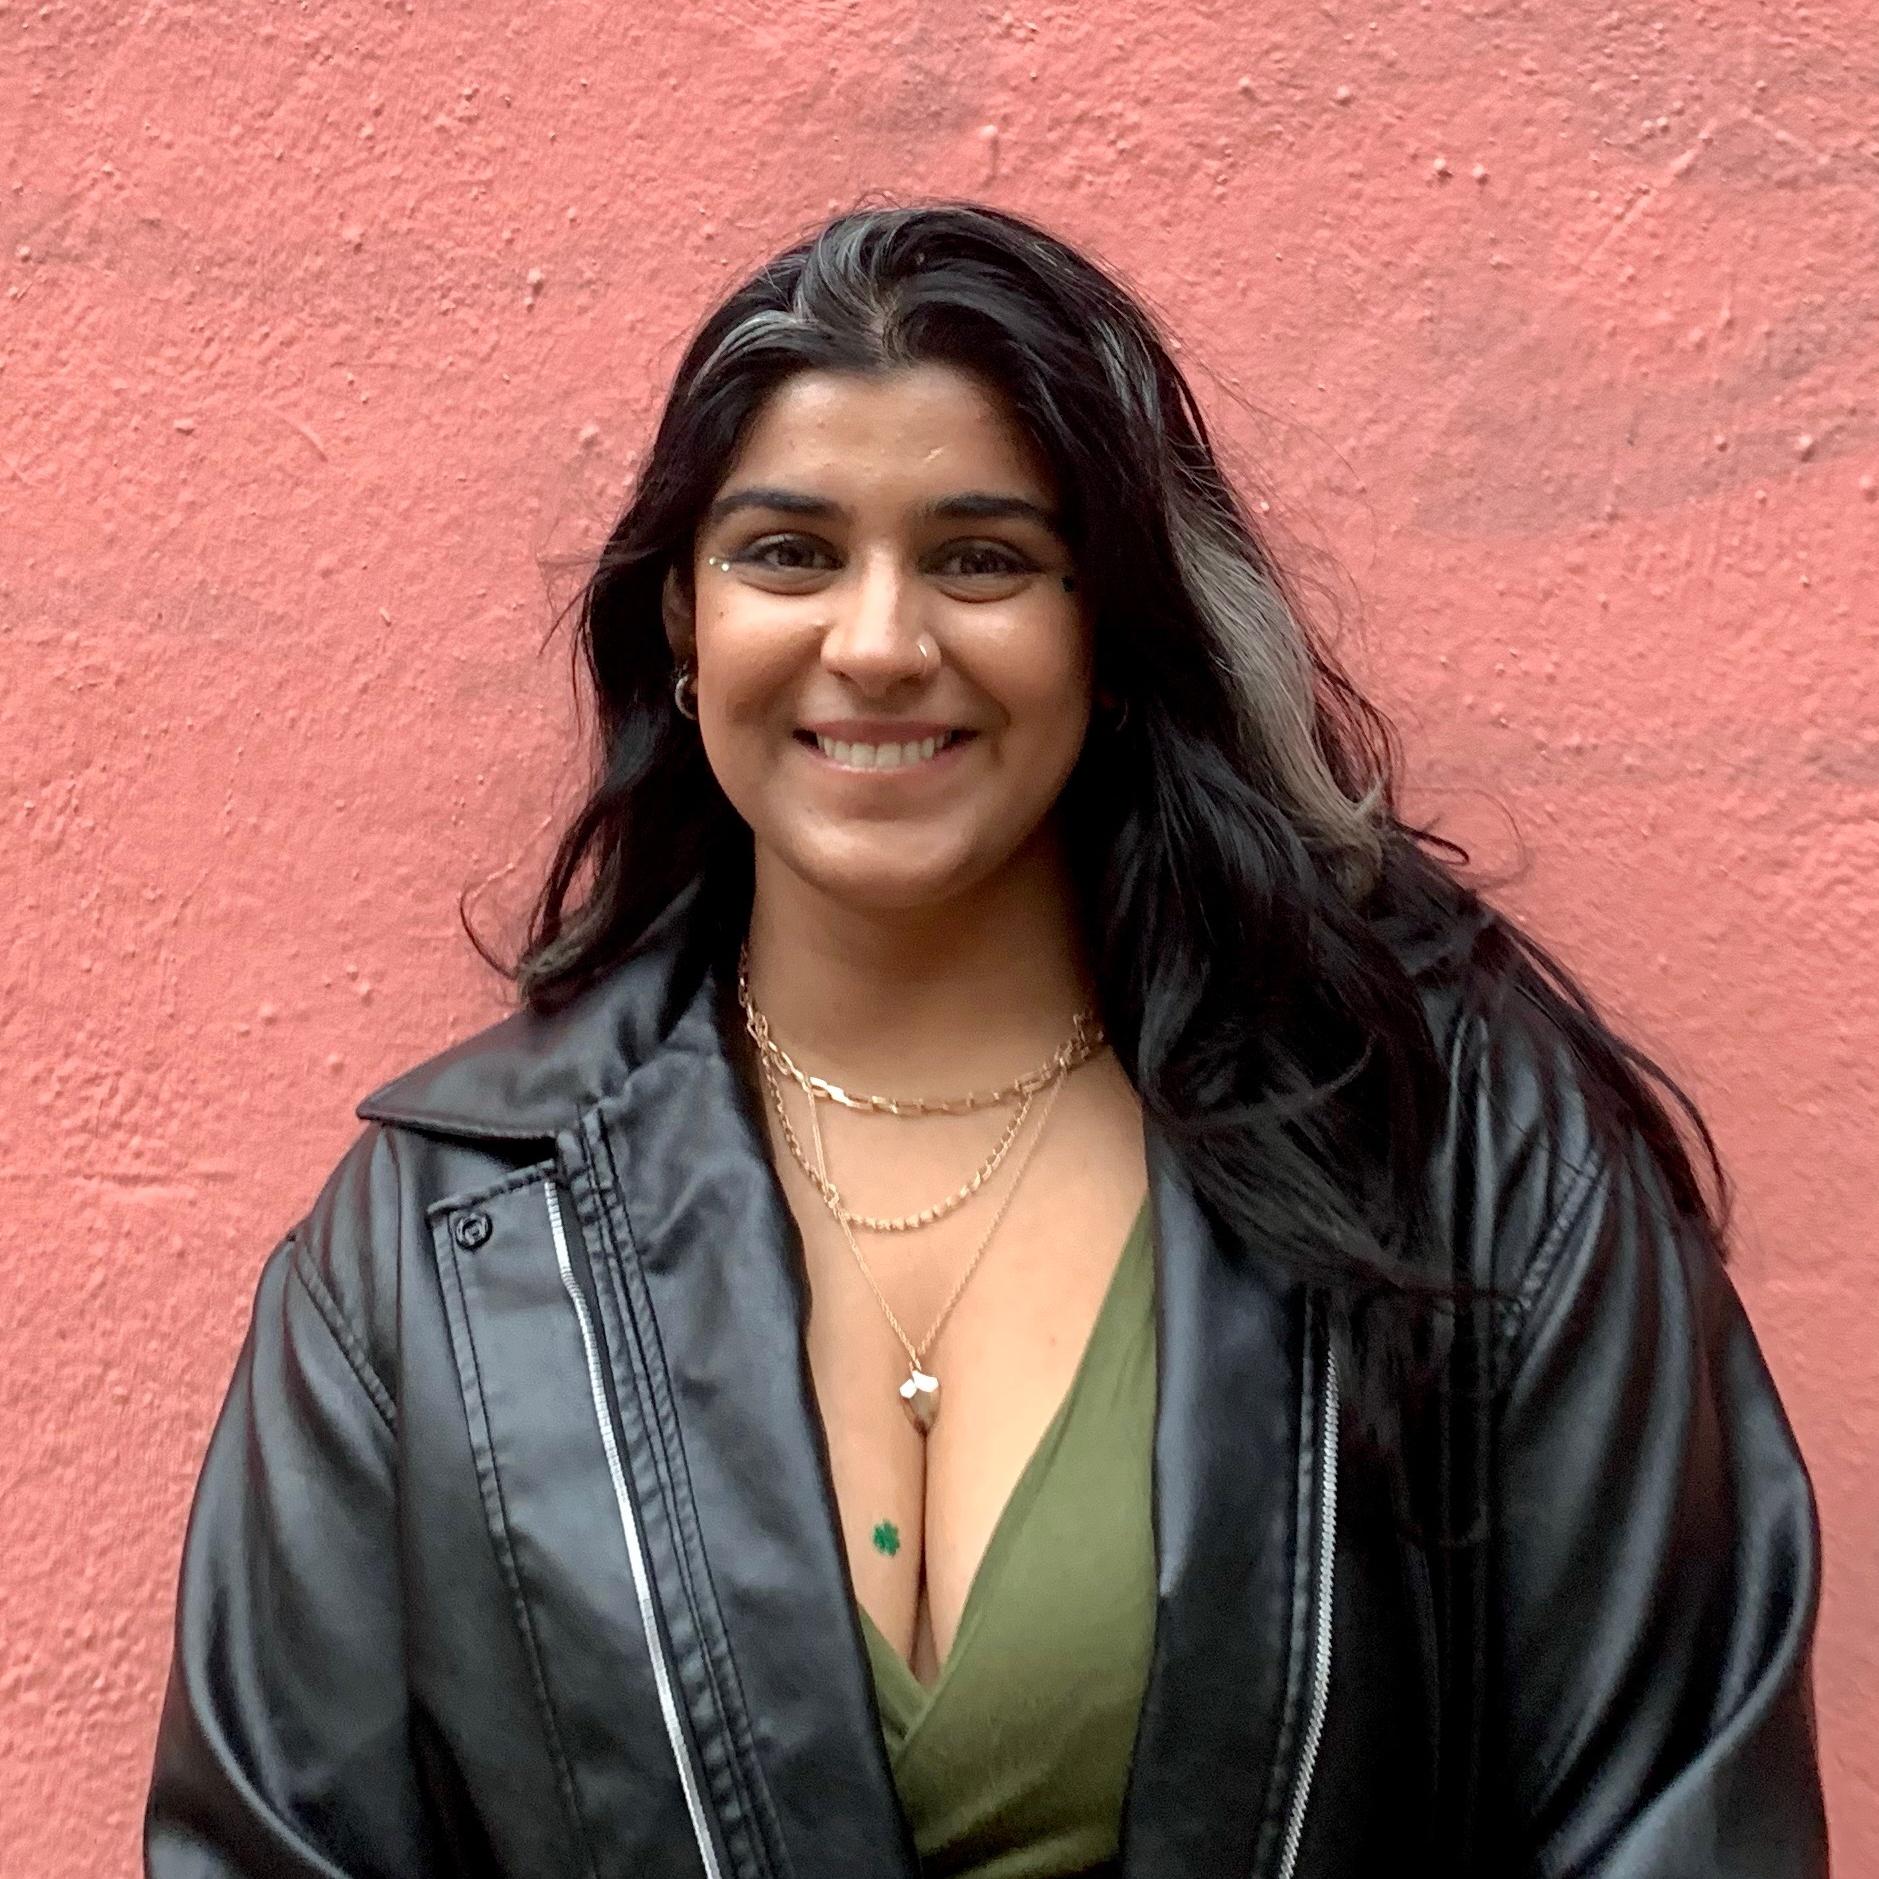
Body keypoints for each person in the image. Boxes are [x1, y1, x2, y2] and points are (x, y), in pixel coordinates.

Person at [144, 201, 1828, 1878]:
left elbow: (1683, 1825)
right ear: (683, 627)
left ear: (1113, 631)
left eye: (981, 558)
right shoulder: (442, 1251)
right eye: (789, 553)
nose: (880, 646)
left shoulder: (1453, 1149)